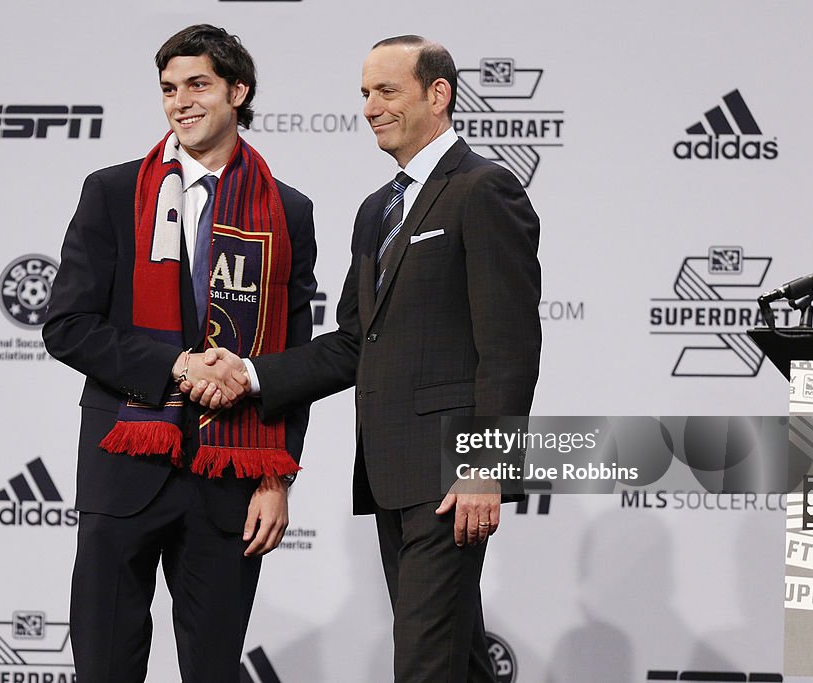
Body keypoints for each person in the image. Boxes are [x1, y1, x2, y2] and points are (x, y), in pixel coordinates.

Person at [187, 34, 541, 682]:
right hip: (389, 470)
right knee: (456, 657)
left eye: (386, 90)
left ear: (438, 95)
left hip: (449, 472)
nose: (371, 107)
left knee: (426, 663)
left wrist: (485, 465)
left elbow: (510, 343)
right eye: (364, 94)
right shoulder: (375, 209)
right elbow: (354, 341)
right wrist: (251, 374)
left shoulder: (484, 189)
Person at [42, 24, 317, 683]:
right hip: (124, 470)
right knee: (104, 668)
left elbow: (294, 359)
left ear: (237, 91)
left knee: (213, 671)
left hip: (230, 480)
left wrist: (276, 477)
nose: (180, 101)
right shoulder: (112, 192)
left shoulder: (287, 210)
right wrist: (175, 365)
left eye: (198, 84)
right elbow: (67, 325)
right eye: (169, 88)